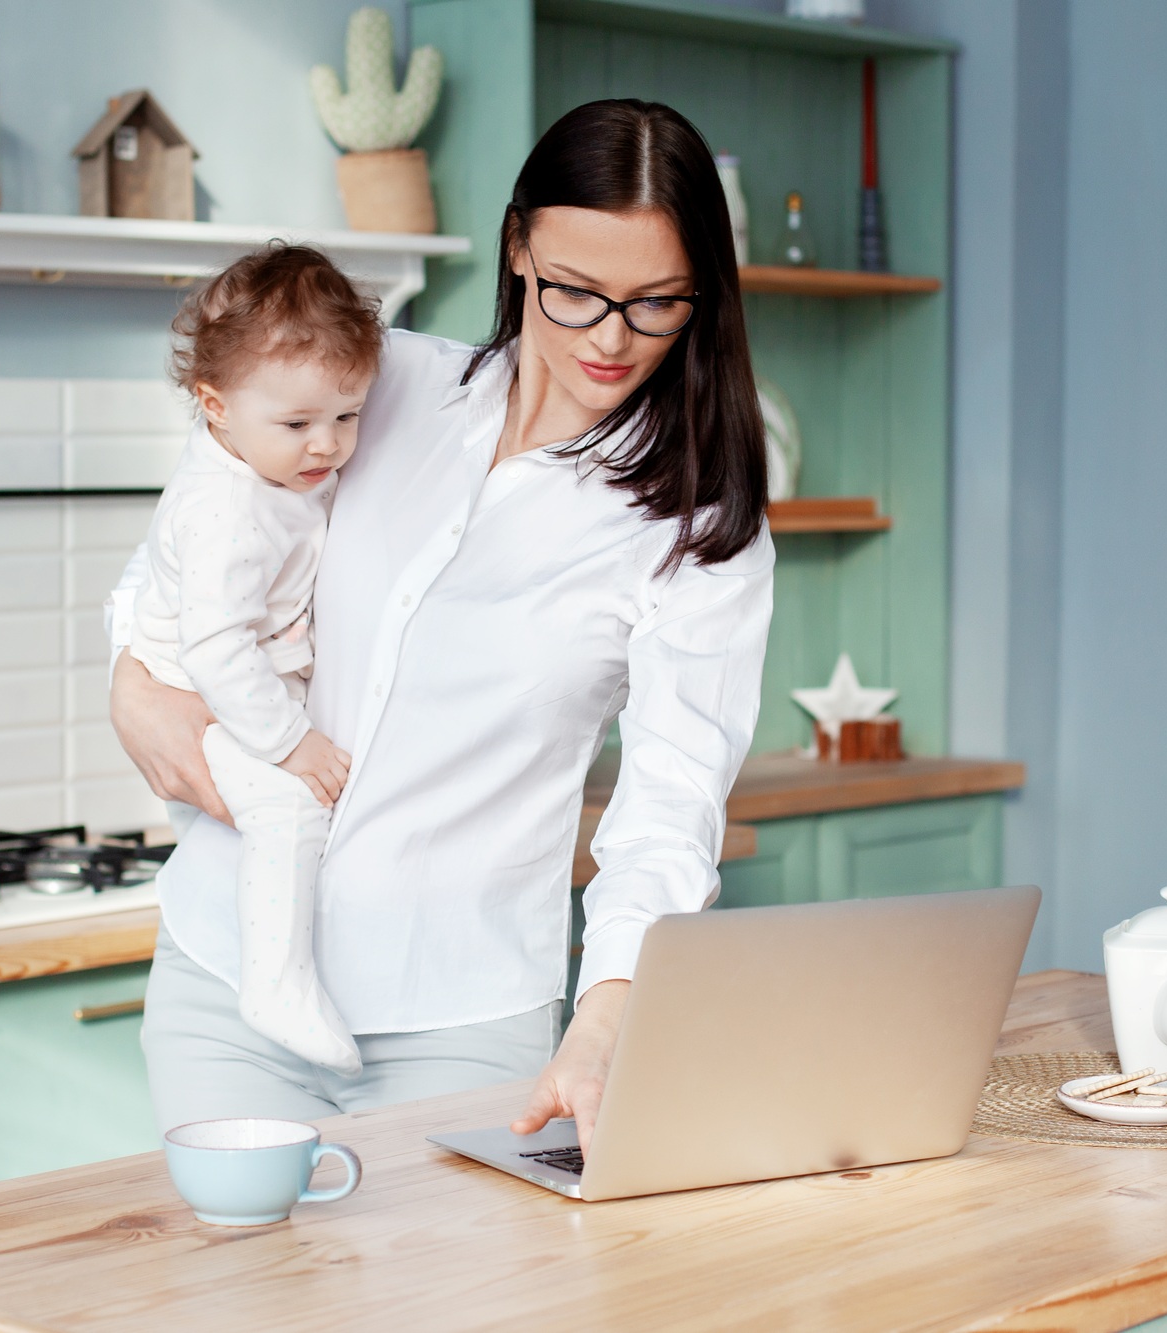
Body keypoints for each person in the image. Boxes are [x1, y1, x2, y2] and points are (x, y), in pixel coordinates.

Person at [108, 99, 775, 1156]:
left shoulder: (695, 530)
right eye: (575, 290)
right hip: (224, 984)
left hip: (460, 1024)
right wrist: (131, 682)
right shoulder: (377, 389)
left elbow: (669, 805)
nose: (610, 336)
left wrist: (603, 1014)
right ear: (518, 250)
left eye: (655, 303)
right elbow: (195, 549)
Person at [128, 244, 382, 1075]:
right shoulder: (225, 512)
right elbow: (217, 648)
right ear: (216, 406)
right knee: (288, 810)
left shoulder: (271, 465)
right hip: (200, 689)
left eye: (348, 416)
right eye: (300, 424)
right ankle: (273, 983)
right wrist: (289, 743)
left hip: (235, 680)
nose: (329, 445)